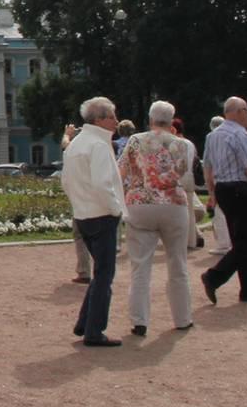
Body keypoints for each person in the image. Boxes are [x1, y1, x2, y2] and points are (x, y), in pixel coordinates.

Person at [118, 101, 195, 336]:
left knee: (140, 266)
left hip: (140, 204)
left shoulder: (135, 141)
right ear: (171, 120)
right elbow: (183, 173)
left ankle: (139, 321)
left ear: (150, 119)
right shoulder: (182, 144)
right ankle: (182, 318)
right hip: (173, 204)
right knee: (178, 263)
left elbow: (121, 172)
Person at [61, 96, 126, 346]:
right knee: (104, 275)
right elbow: (102, 184)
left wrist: (79, 205)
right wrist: (116, 209)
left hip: (83, 215)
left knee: (100, 273)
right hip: (102, 215)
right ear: (99, 119)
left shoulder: (76, 144)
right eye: (112, 116)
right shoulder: (98, 146)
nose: (116, 120)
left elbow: (66, 182)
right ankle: (94, 331)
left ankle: (84, 323)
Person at [199, 97, 247, 305]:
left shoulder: (213, 136)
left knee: (240, 239)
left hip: (224, 189)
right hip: (241, 188)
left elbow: (208, 167)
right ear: (239, 112)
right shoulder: (241, 135)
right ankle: (214, 276)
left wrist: (212, 193)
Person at [61, 123, 92, 284]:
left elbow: (65, 145)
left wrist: (67, 134)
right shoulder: (97, 147)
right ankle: (100, 269)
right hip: (96, 198)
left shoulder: (74, 150)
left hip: (80, 199)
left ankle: (84, 271)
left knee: (80, 235)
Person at [174, 118, 205, 251]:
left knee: (177, 212)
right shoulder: (190, 143)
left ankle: (180, 240)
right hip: (190, 178)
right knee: (190, 212)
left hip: (178, 179)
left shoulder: (173, 143)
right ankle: (192, 240)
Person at [205, 116, 232, 255]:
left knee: (219, 212)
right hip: (232, 178)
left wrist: (209, 185)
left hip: (218, 178)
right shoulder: (234, 134)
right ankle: (233, 241)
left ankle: (223, 244)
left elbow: (208, 161)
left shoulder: (211, 137)